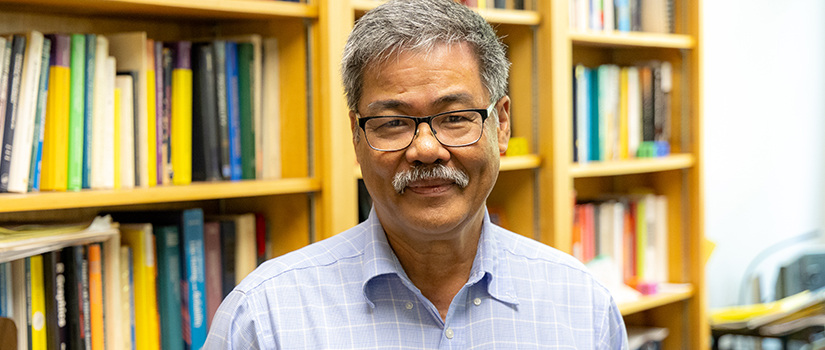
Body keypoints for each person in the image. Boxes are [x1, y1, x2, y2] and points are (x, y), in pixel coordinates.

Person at [205, 0, 628, 348]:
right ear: (356, 138)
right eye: (393, 123)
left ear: (500, 126)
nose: (426, 150)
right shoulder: (264, 317)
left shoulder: (582, 305)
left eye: (456, 117)